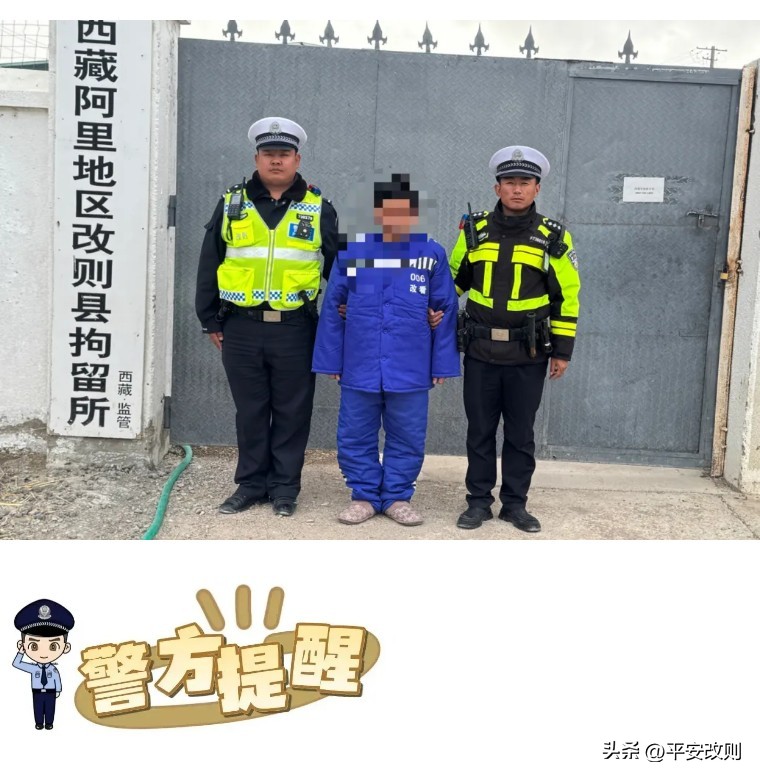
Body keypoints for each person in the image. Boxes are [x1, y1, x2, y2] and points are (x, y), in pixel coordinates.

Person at [196, 117, 338, 518]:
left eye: (284, 154)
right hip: (240, 326)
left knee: (293, 411)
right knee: (250, 410)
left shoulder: (319, 208)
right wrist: (210, 319)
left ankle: (284, 489)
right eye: (269, 153)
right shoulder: (232, 203)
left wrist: (349, 316)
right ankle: (251, 485)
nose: (277, 161)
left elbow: (339, 269)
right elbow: (210, 260)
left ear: (297, 159)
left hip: (295, 327)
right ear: (257, 158)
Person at [312, 174, 460, 526]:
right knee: (354, 432)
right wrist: (332, 360)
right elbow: (333, 306)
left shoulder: (431, 254)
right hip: (360, 361)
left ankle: (396, 496)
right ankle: (363, 495)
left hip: (411, 364)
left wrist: (441, 364)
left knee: (407, 434)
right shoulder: (353, 252)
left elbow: (445, 308)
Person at [447, 145, 581, 533]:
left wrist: (563, 351)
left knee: (521, 434)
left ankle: (515, 505)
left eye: (525, 182)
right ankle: (478, 503)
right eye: (509, 182)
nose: (517, 189)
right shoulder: (474, 230)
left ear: (537, 188)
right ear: (497, 187)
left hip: (528, 353)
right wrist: (433, 313)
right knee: (480, 431)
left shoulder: (553, 237)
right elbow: (452, 281)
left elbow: (567, 296)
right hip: (480, 351)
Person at [13, 599, 75, 730]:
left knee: (50, 708)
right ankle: (39, 723)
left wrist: (58, 690)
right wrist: (20, 653)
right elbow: (16, 663)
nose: (43, 653)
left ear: (66, 647)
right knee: (38, 708)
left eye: (53, 646)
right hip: (37, 692)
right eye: (34, 646)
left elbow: (57, 679)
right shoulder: (33, 668)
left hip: (51, 692)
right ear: (22, 645)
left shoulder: (53, 669)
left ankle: (49, 723)